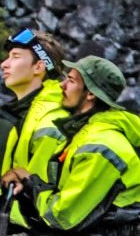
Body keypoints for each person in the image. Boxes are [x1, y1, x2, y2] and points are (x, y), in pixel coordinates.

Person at [11, 56, 140, 234]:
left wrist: (28, 182)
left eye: (70, 80)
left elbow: (62, 217)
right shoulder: (85, 132)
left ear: (90, 94)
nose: (62, 85)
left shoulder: (100, 146)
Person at [0, 28, 69, 228]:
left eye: (15, 56)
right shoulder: (22, 114)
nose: (4, 64)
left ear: (38, 67)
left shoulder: (51, 119)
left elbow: (42, 196)